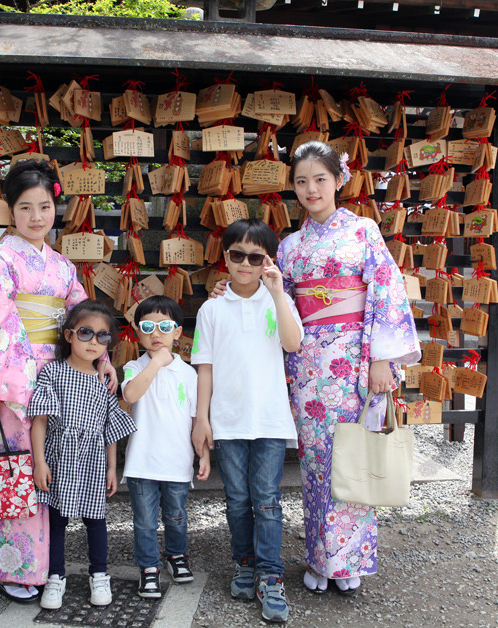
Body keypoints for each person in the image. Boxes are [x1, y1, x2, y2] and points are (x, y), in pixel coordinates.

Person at [0, 159, 117, 604]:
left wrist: (101, 356)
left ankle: (52, 567)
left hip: (62, 380)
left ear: (55, 209)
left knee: (55, 471)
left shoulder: (63, 266)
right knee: (18, 470)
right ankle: (15, 567)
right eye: (25, 207)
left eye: (44, 206)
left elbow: (83, 319)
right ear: (11, 211)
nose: (36, 217)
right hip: (14, 381)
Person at [276, 141, 420, 594]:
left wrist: (382, 357)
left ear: (339, 180)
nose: (311, 189)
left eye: (320, 179)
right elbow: (278, 303)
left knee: (351, 456)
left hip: (353, 359)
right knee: (316, 463)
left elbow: (386, 291)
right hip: (306, 364)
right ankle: (321, 558)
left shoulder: (363, 232)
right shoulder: (289, 245)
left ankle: (348, 558)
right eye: (301, 181)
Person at [191, 218, 302, 623]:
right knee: (237, 500)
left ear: (267, 261)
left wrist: (276, 291)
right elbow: (204, 367)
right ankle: (245, 563)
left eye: (255, 257)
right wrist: (201, 420)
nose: (245, 264)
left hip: (270, 420)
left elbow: (292, 343)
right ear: (225, 257)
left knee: (268, 501)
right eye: (237, 255)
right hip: (228, 420)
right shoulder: (211, 308)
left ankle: (271, 576)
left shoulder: (278, 301)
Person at [29, 300, 137, 609]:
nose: (94, 342)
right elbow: (40, 421)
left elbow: (109, 427)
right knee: (57, 519)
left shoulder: (104, 380)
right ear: (68, 335)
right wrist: (40, 463)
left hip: (93, 459)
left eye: (102, 336)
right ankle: (55, 576)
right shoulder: (53, 373)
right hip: (59, 456)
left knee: (95, 519)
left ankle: (99, 575)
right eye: (86, 333)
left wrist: (112, 468)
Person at [121, 296, 208, 599]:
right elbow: (131, 395)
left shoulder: (189, 373)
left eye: (164, 326)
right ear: (137, 332)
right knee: (144, 522)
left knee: (176, 515)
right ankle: (148, 567)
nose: (155, 333)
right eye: (147, 327)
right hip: (142, 462)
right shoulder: (134, 366)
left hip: (177, 460)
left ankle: (176, 554)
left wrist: (204, 454)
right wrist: (156, 362)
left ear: (177, 332)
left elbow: (197, 418)